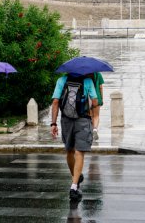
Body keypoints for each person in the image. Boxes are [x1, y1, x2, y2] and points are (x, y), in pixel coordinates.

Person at [51, 73, 98, 201]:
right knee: (79, 152)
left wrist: (53, 123)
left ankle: (75, 177)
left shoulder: (62, 80)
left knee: (70, 150)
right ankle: (74, 186)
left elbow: (55, 102)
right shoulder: (88, 81)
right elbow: (95, 102)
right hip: (83, 120)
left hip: (66, 120)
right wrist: (93, 113)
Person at [88, 72, 104, 140]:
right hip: (97, 97)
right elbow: (100, 87)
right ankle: (95, 129)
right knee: (96, 116)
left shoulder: (85, 74)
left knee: (90, 115)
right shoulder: (98, 74)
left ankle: (90, 130)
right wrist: (101, 98)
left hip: (88, 98)